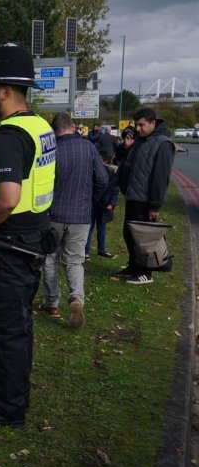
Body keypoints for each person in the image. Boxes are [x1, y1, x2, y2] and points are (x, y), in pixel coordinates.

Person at [0, 44, 56, 428]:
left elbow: (8, 197)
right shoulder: (40, 125)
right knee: (14, 324)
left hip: (6, 246)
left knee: (4, 328)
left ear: (4, 90)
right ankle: (5, 388)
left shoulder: (7, 135)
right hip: (30, 242)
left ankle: (8, 408)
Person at [40, 113, 107, 329]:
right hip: (80, 215)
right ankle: (77, 299)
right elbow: (103, 180)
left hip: (53, 215)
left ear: (54, 130)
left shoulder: (51, 151)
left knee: (49, 259)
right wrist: (90, 200)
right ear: (73, 127)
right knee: (74, 261)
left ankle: (52, 304)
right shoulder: (88, 148)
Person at [116, 109, 176, 284]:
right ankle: (133, 267)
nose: (138, 128)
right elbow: (123, 160)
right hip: (133, 196)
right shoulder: (140, 141)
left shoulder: (163, 144)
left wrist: (155, 205)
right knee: (129, 234)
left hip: (145, 200)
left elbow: (161, 176)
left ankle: (145, 272)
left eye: (141, 125)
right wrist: (126, 147)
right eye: (136, 124)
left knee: (144, 239)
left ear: (153, 123)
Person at [85, 155, 119, 261]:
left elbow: (115, 189)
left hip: (104, 204)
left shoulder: (111, 173)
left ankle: (101, 250)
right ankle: (86, 251)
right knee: (89, 227)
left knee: (101, 226)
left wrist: (112, 203)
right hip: (92, 203)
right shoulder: (90, 171)